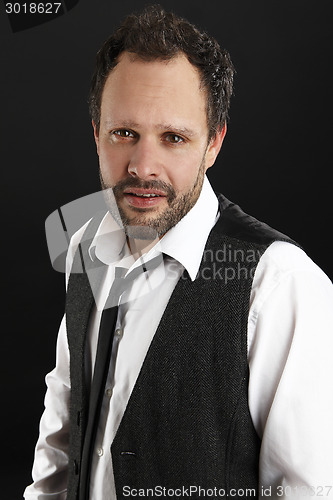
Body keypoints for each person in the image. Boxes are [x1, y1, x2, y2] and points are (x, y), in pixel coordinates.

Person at [24, 5, 333, 500]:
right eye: (124, 133)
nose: (144, 167)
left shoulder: (280, 285)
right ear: (96, 133)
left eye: (174, 138)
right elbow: (62, 439)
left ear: (213, 143)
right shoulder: (84, 249)